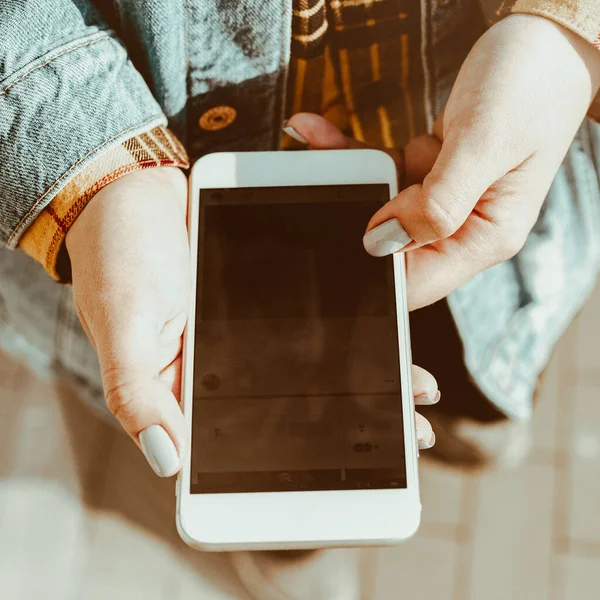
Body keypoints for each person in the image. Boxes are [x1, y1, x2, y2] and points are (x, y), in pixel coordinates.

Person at [1, 0, 599, 597]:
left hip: (474, 181)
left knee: (468, 409)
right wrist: (96, 170)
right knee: (273, 447)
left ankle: (479, 412)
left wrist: (564, 35)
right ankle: (287, 554)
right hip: (153, 234)